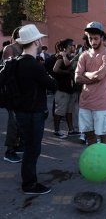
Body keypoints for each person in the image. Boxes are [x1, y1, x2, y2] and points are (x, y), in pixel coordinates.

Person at [14, 24, 57, 194]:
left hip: (21, 112)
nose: (41, 40)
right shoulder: (33, 65)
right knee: (32, 149)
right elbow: (53, 84)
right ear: (36, 41)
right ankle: (29, 184)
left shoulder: (16, 62)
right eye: (39, 38)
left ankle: (28, 179)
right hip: (33, 114)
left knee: (29, 147)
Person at [75, 21, 106, 144]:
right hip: (85, 102)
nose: (93, 42)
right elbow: (77, 78)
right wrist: (92, 75)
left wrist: (86, 73)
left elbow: (100, 76)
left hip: (102, 103)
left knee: (103, 135)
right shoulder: (84, 56)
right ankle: (94, 162)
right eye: (90, 38)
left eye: (96, 38)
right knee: (89, 135)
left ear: (102, 37)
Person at [2, 26, 24, 163]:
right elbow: (9, 70)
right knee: (14, 122)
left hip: (21, 91)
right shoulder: (9, 48)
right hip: (12, 92)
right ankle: (9, 151)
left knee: (20, 121)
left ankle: (17, 145)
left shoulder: (23, 49)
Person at [53, 38, 79, 138]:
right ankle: (56, 130)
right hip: (62, 89)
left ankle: (71, 130)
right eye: (73, 45)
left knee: (69, 111)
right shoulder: (61, 56)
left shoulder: (68, 56)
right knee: (59, 111)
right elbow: (55, 69)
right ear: (68, 46)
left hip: (70, 89)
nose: (74, 47)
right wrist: (67, 72)